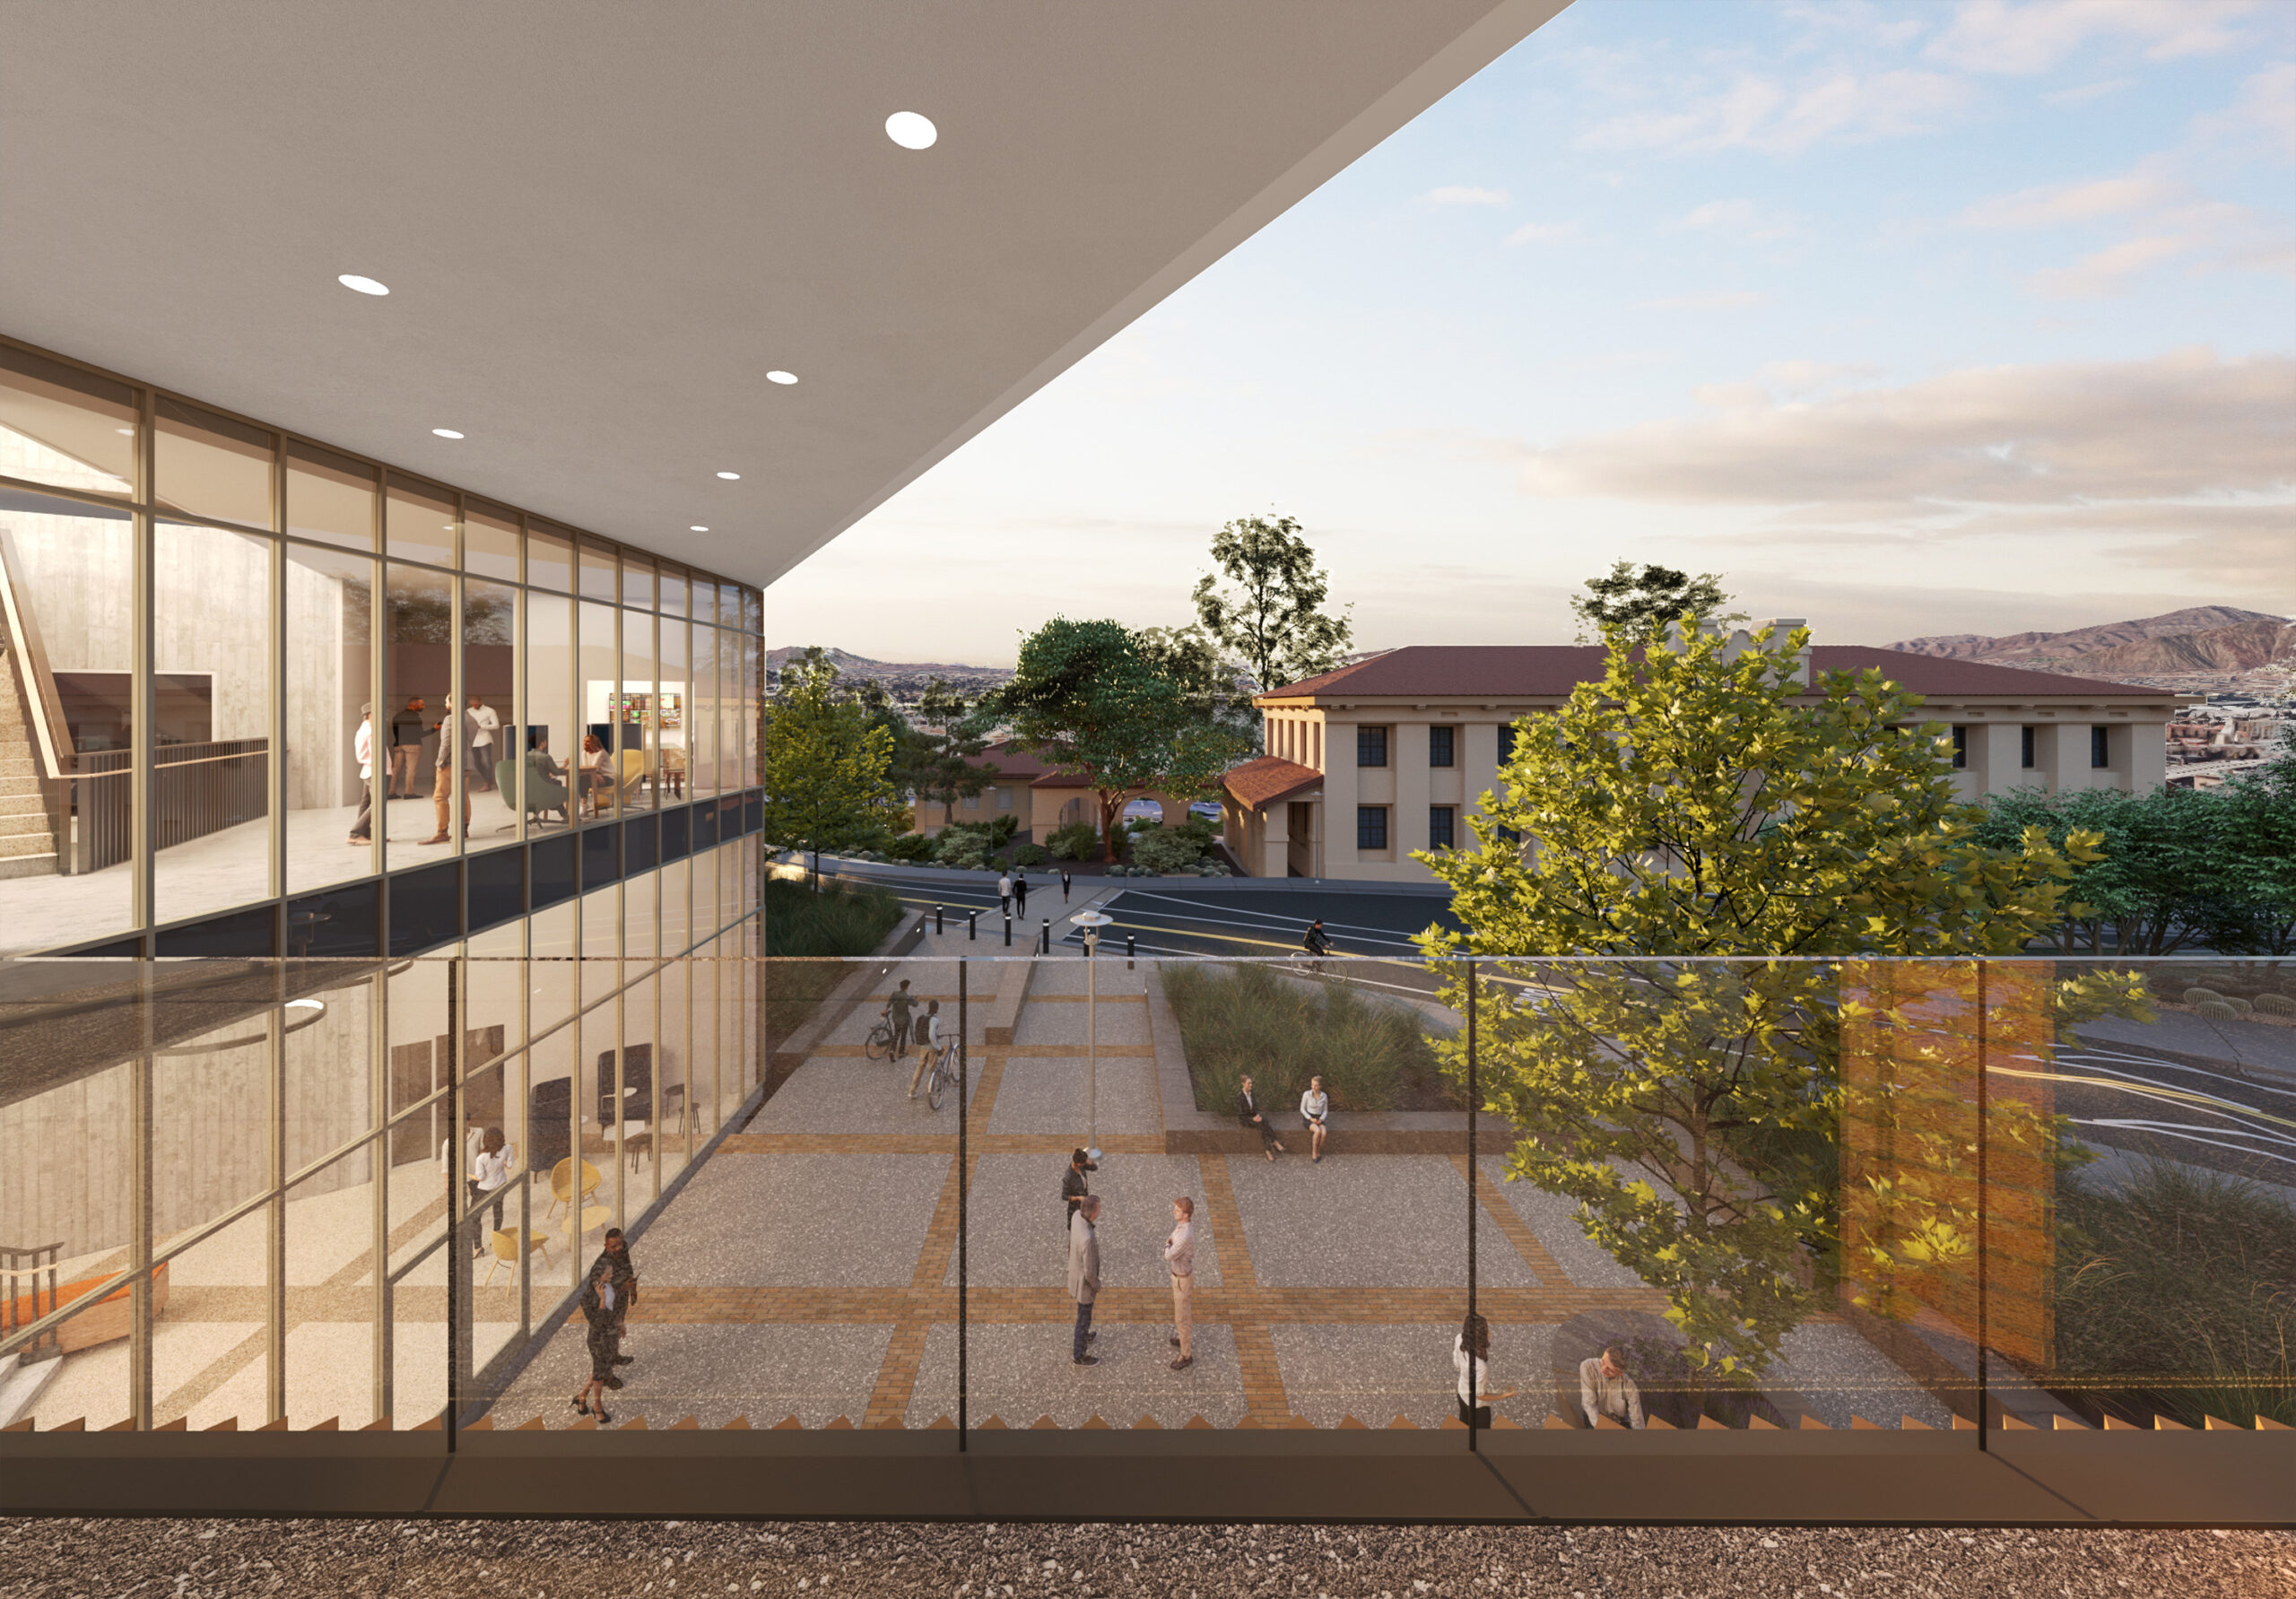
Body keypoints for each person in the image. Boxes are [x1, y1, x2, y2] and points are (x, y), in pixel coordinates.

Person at [420, 694, 481, 845]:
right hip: (467, 763)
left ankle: (442, 832)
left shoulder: (450, 719)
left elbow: (446, 744)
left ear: (453, 703)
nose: (445, 704)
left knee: (440, 797)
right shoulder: (472, 720)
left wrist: (439, 762)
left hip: (450, 763)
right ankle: (463, 830)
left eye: (446, 702)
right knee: (463, 795)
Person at [450, 1125, 515, 1252]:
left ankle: (478, 1247)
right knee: (498, 1211)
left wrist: (466, 1174)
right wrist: (503, 1163)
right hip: (501, 1184)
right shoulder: (508, 1148)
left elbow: (480, 1177)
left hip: (484, 1189)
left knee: (475, 1216)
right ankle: (497, 1237)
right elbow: (510, 1165)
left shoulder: (482, 1158)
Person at [572, 1258, 620, 1424]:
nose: (612, 1275)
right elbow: (596, 1322)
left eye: (611, 1272)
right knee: (599, 1371)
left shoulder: (609, 1285)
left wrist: (619, 1324)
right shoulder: (587, 1297)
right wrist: (601, 1299)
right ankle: (597, 1407)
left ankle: (582, 1397)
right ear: (599, 1275)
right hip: (598, 1337)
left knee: (600, 1368)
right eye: (608, 1273)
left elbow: (613, 1308)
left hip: (610, 1334)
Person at [1456, 1313, 1518, 1430]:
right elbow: (1480, 1396)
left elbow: (1457, 1364)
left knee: (1463, 1427)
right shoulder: (1481, 1367)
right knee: (1481, 1437)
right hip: (1478, 1408)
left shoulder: (1459, 1339)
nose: (1489, 1333)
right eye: (1486, 1331)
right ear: (1479, 1336)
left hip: (1462, 1394)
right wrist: (1504, 1395)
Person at [592, 1226, 639, 1369]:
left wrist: (632, 1289)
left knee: (616, 1332)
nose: (619, 1247)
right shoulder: (602, 1264)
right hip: (608, 1303)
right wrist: (621, 1286)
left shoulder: (623, 1249)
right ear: (606, 1246)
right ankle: (606, 1372)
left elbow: (627, 1267)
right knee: (608, 1335)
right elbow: (601, 1286)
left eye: (620, 1243)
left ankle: (614, 1356)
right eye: (614, 1246)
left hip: (621, 1297)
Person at [1067, 1194, 1102, 1366]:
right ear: (1093, 1213)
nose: (1100, 1210)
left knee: (1084, 1315)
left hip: (1075, 1274)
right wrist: (1097, 1285)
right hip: (1085, 1285)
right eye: (1099, 1208)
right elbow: (1089, 1272)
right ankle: (1079, 1355)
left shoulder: (1076, 1217)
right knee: (1084, 1316)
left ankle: (1085, 1334)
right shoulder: (1087, 1239)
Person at [1579, 1344, 1645, 1430]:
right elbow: (1589, 1404)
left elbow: (1636, 1420)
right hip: (1594, 1418)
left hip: (1618, 1422)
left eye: (1609, 1370)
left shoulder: (1630, 1386)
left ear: (1620, 1373)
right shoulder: (1587, 1367)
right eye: (1602, 1362)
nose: (1603, 1369)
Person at [1164, 1195, 1196, 1371]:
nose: (1173, 1212)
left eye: (1177, 1210)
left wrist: (1167, 1246)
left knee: (1182, 1318)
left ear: (1185, 1215)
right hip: (1179, 1276)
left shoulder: (1184, 1235)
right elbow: (1170, 1239)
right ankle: (1183, 1341)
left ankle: (1186, 1354)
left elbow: (1168, 1254)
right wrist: (1169, 1244)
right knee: (1182, 1315)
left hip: (1182, 1280)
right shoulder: (1182, 1226)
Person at [1237, 1074, 1284, 1160]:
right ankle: (1270, 1148)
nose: (1251, 1085)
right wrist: (1252, 1119)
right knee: (1262, 1126)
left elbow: (1255, 1107)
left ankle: (1272, 1145)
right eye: (1248, 1083)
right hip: (1246, 1119)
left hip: (1253, 1116)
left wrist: (1257, 1115)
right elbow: (1241, 1115)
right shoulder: (1240, 1097)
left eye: (1251, 1083)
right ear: (1243, 1084)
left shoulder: (1252, 1093)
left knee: (1265, 1121)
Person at [346, 702, 374, 845]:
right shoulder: (370, 731)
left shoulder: (364, 729)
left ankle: (365, 833)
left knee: (366, 803)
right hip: (375, 770)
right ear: (370, 714)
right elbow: (377, 752)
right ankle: (356, 833)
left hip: (368, 770)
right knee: (377, 804)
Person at [388, 696, 426, 798]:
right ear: (413, 705)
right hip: (413, 746)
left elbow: (395, 732)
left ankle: (390, 792)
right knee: (411, 770)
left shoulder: (397, 716)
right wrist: (434, 729)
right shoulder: (416, 718)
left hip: (398, 745)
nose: (424, 706)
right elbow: (420, 734)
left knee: (395, 769)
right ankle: (409, 792)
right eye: (421, 704)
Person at [908, 998, 944, 1099]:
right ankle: (930, 1091)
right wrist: (939, 1047)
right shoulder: (934, 1019)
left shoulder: (922, 1017)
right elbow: (931, 1035)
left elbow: (927, 1031)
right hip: (931, 1048)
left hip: (923, 1047)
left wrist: (937, 1035)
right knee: (932, 1070)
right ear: (936, 1008)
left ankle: (912, 1091)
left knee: (920, 1068)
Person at [468, 694, 500, 792]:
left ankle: (487, 784)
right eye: (473, 705)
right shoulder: (468, 711)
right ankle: (490, 779)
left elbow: (496, 725)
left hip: (485, 739)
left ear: (481, 702)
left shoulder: (490, 711)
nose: (475, 706)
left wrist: (481, 727)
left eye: (476, 704)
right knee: (476, 763)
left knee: (486, 761)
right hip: (473, 740)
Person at [1060, 1147, 1097, 1231]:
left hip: (1084, 1202)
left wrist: (1088, 1162)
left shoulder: (1081, 1167)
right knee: (1076, 1229)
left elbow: (1095, 1168)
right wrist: (1078, 1197)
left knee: (1085, 1225)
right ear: (1078, 1163)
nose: (1085, 1163)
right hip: (1075, 1207)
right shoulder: (1069, 1177)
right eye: (1084, 1162)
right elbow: (1064, 1196)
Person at [882, 978, 916, 1060]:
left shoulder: (894, 994)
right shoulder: (906, 997)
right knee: (903, 1036)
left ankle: (892, 1051)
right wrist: (916, 999)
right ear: (906, 987)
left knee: (896, 1035)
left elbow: (890, 1001)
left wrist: (886, 1009)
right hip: (904, 1020)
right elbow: (915, 1004)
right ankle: (901, 1052)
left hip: (896, 1018)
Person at [1300, 1074, 1331, 1163]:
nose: (1313, 1087)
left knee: (1324, 1133)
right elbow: (1302, 1109)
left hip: (1319, 1117)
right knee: (1317, 1131)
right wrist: (1310, 1118)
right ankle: (1314, 1153)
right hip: (1309, 1117)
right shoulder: (1306, 1094)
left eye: (1316, 1085)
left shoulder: (1324, 1096)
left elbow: (1325, 1110)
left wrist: (1321, 1119)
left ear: (1320, 1086)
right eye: (1312, 1084)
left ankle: (1318, 1151)